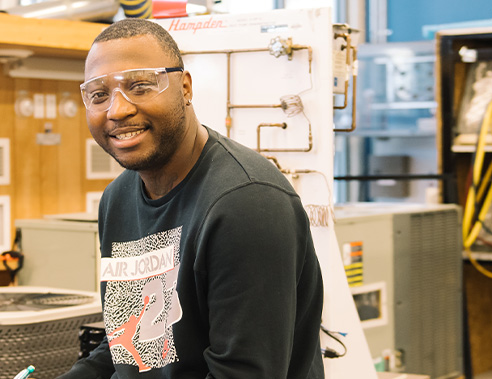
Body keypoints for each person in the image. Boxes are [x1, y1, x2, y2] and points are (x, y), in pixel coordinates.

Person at [59, 18, 324, 379]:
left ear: (184, 87)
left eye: (139, 85)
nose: (117, 110)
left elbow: (243, 374)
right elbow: (132, 345)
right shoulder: (117, 199)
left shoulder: (246, 203)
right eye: (99, 94)